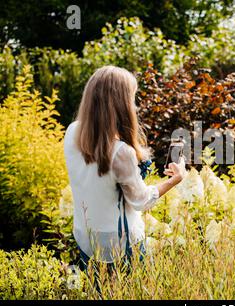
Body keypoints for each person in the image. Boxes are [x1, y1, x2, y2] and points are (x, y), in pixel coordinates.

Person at [63, 66, 186, 274]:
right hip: (120, 244)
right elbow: (141, 201)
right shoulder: (121, 152)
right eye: (132, 98)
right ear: (120, 103)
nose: (134, 105)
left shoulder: (72, 132)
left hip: (87, 237)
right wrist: (175, 179)